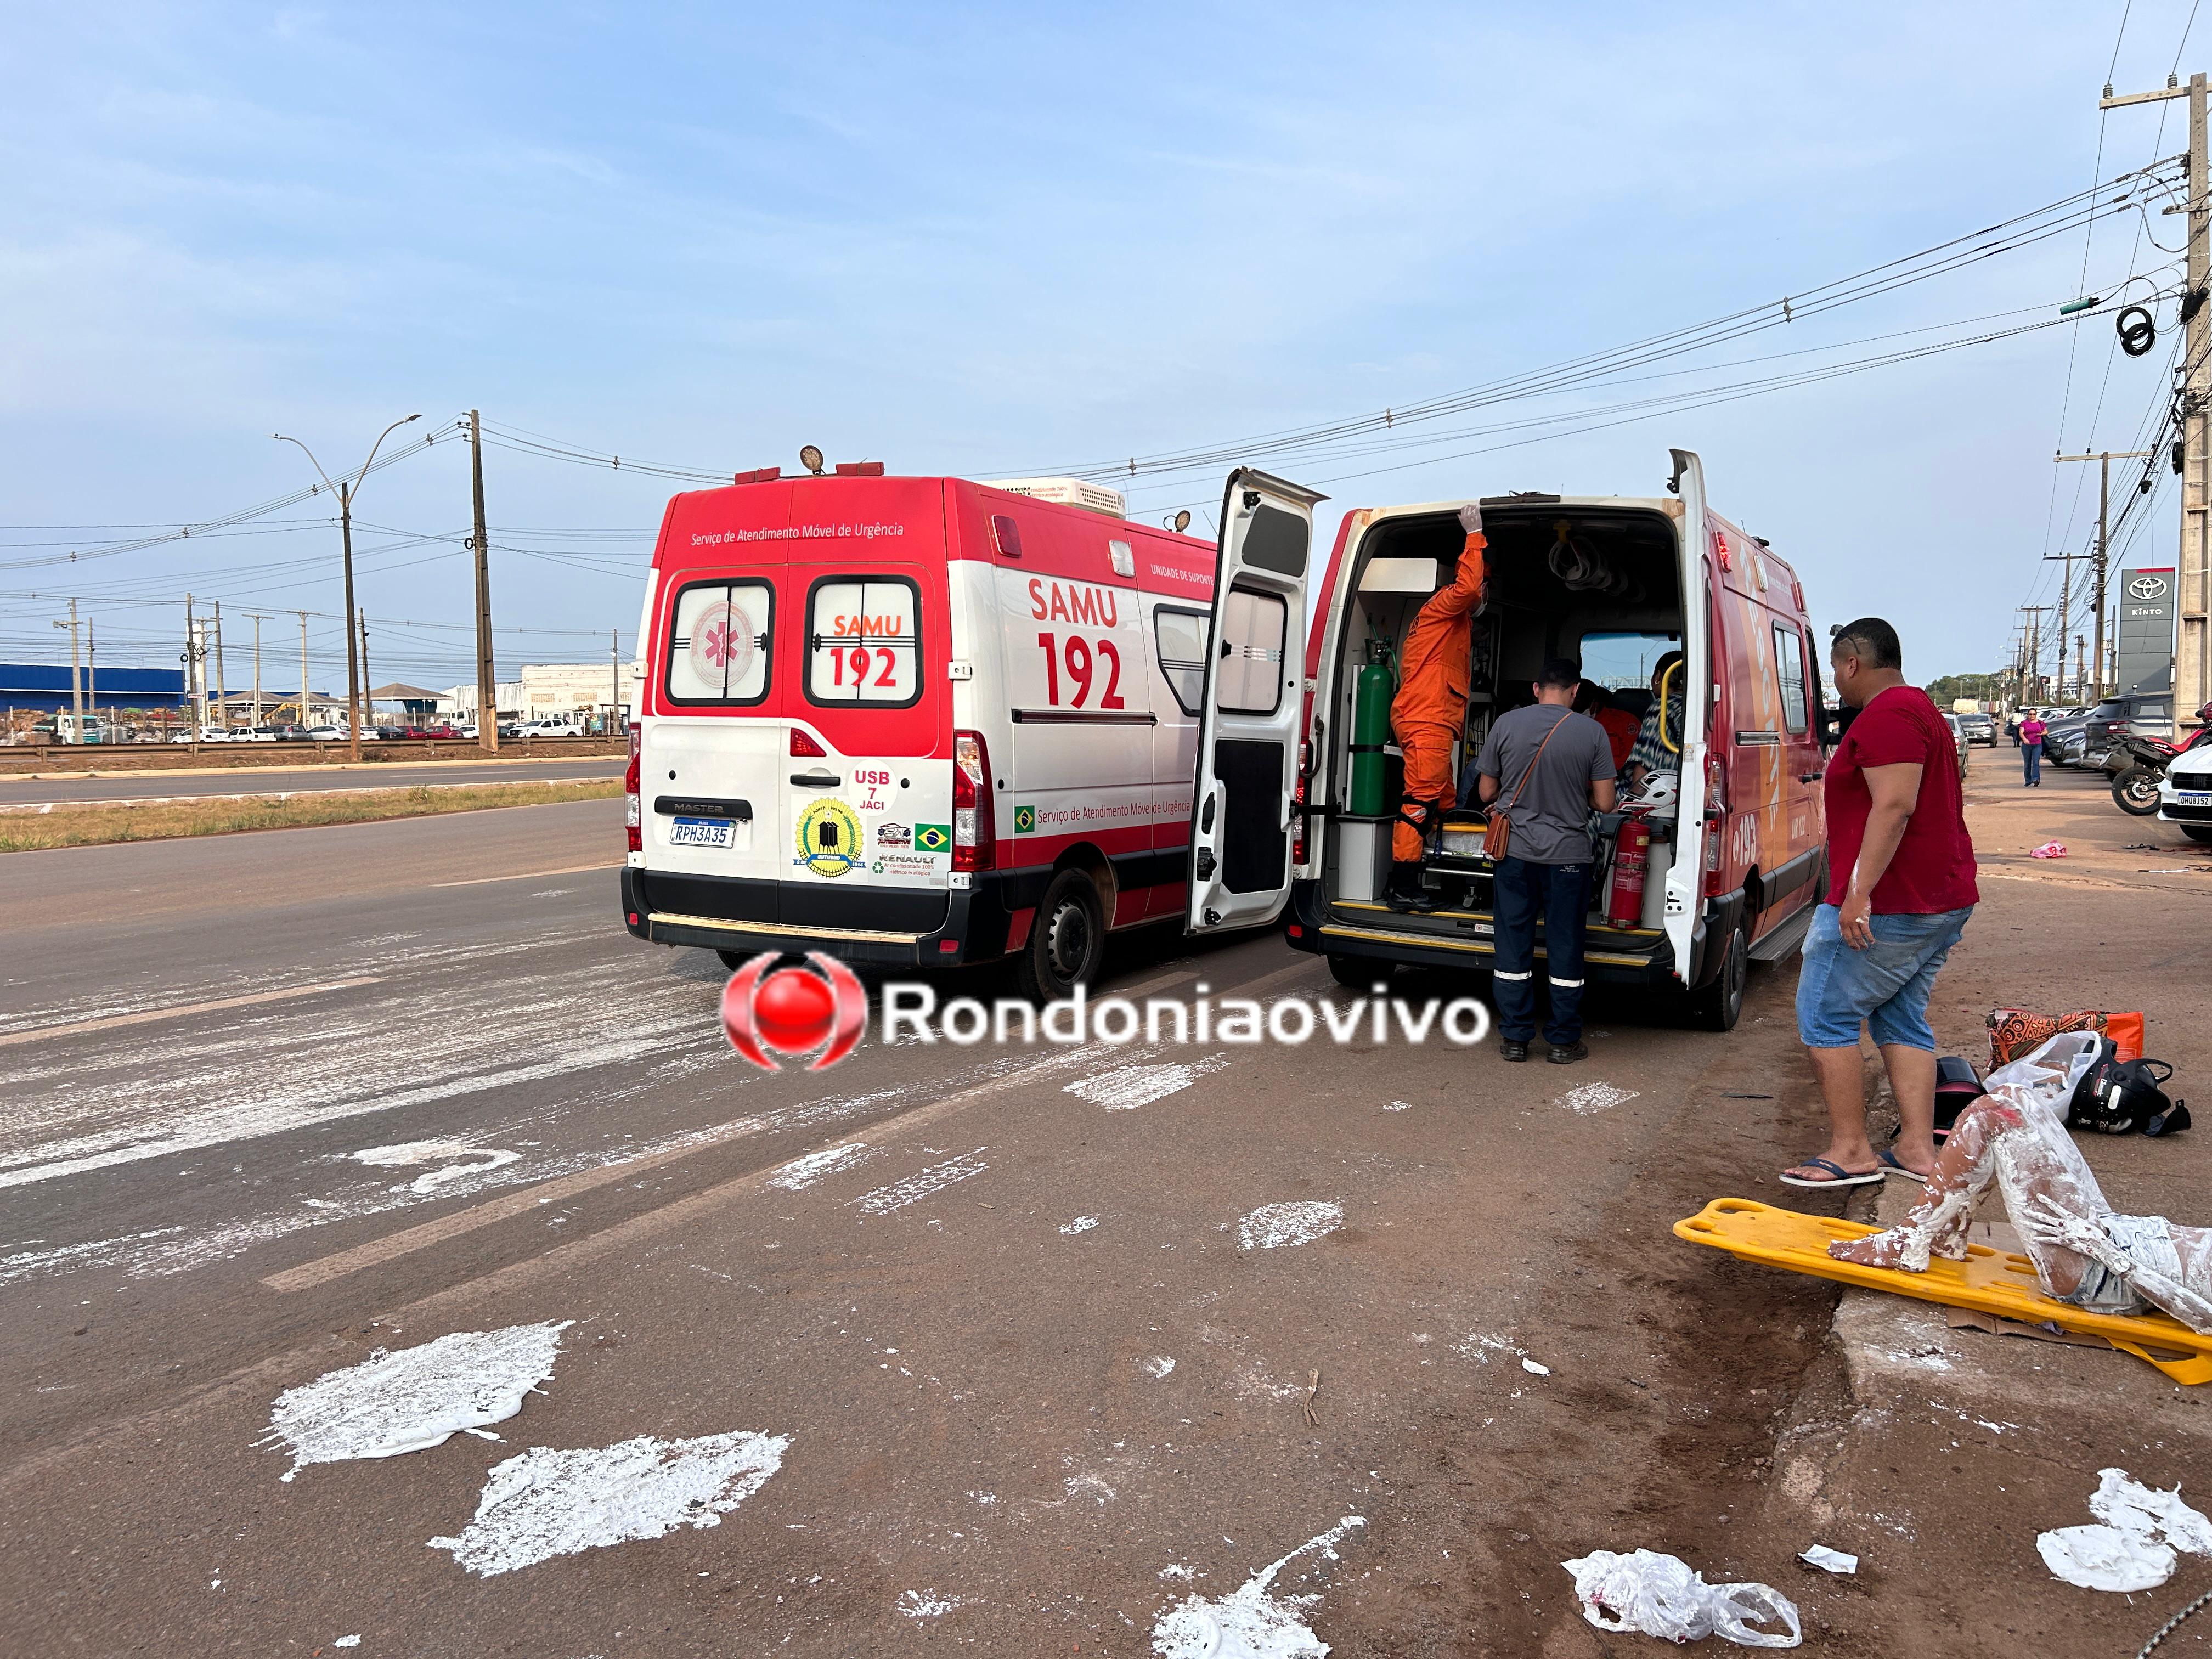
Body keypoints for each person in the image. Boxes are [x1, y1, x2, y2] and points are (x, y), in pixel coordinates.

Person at [1830, 1036, 2211, 1333]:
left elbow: (2204, 1319)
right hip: (2114, 1235)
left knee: (1998, 1114)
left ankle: (1910, 1240)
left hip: (2097, 1273)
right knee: (2016, 1097)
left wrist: (2107, 1254)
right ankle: (1944, 1230)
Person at [1781, 618, 1978, 1188]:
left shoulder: (1889, 717)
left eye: (1837, 673)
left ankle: (1851, 1151)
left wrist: (1857, 895)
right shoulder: (1921, 710)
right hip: (1937, 898)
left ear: (1851, 665)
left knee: (1825, 1015)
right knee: (1900, 1016)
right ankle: (1917, 1149)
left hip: (1895, 901)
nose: (1837, 685)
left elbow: (1894, 807)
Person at [1475, 657, 1618, 1064]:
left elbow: (1487, 793)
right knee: (1566, 946)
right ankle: (1562, 1040)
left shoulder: (1506, 724)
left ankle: (1516, 1038)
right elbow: (1606, 804)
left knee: (1513, 944)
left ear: (1537, 689)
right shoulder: (1592, 733)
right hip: (1569, 858)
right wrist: (1581, 796)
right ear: (1575, 692)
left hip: (1515, 854)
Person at [1386, 503, 1488, 909]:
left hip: (1431, 718)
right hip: (1427, 717)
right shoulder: (1447, 603)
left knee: (1443, 800)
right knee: (1422, 800)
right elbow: (1466, 589)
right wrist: (1475, 535)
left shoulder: (1449, 624)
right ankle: (1402, 885)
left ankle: (1439, 872)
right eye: (1483, 587)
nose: (1481, 594)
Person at [1621, 651, 1686, 794]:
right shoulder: (1696, 707)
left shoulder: (1662, 708)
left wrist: (1631, 805)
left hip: (1657, 794)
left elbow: (1644, 766)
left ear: (1658, 677)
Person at [1579, 680, 1640, 772]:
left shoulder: (1625, 722)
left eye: (1580, 707)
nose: (1575, 711)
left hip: (1615, 779)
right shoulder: (1564, 723)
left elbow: (1633, 759)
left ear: (1595, 704)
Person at [2018, 707, 2047, 787]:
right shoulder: (2024, 723)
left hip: (2037, 745)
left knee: (2036, 763)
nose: (2032, 716)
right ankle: (2028, 780)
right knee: (2027, 763)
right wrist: (2025, 739)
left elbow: (2046, 731)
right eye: (2030, 714)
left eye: (2033, 714)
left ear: (2036, 715)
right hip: (2027, 746)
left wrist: (2041, 734)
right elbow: (2021, 733)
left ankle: (2036, 779)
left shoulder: (2040, 723)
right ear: (2028, 715)